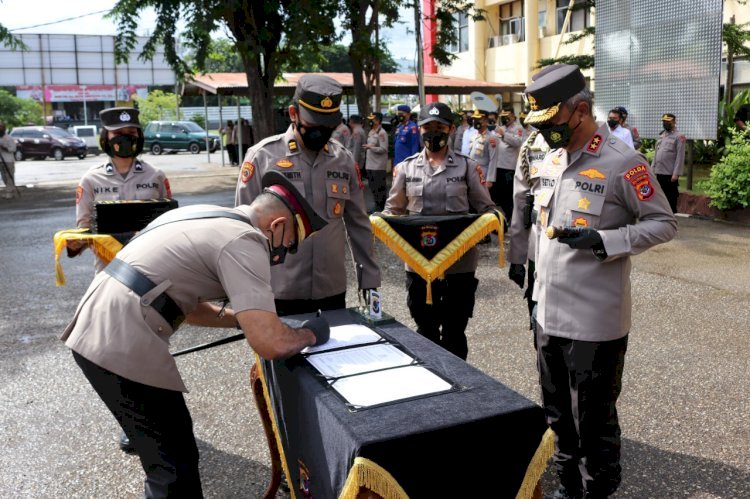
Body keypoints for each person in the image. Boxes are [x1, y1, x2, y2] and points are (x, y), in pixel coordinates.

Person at [61, 170, 331, 497]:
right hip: (121, 338)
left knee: (171, 454)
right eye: (290, 243)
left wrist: (240, 321)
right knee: (172, 468)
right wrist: (310, 335)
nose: (285, 252)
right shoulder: (245, 240)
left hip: (98, 323)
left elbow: (184, 306)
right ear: (277, 227)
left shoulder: (198, 215)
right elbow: (271, 343)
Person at [523, 64, 677, 499]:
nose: (543, 131)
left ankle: (597, 492)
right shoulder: (550, 158)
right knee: (557, 418)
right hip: (547, 314)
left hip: (594, 321)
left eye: (550, 122)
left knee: (594, 423)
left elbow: (663, 224)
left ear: (581, 111)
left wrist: (604, 240)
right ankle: (567, 489)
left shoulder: (623, 162)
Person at [235, 74, 381, 316]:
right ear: (293, 114)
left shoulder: (343, 160)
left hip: (331, 290)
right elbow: (241, 231)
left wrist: (369, 279)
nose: (321, 133)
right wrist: (246, 292)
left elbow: (359, 225)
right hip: (280, 291)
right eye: (314, 125)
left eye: (328, 127)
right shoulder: (262, 157)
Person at [383, 102, 496, 360]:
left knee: (456, 331)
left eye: (440, 127)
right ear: (419, 130)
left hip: (459, 266)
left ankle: (460, 389)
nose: (433, 132)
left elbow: (486, 209)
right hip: (419, 266)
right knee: (426, 330)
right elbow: (393, 211)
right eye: (427, 127)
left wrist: (486, 227)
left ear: (451, 129)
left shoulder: (467, 167)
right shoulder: (405, 168)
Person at [71, 107, 172, 273]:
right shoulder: (90, 179)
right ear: (106, 137)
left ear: (139, 136)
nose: (125, 138)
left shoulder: (156, 176)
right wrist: (78, 243)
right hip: (109, 268)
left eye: (131, 132)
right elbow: (84, 227)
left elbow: (169, 221)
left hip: (152, 266)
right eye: (118, 133)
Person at [508, 127, 549, 335]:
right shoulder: (532, 145)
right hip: (538, 247)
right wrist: (517, 258)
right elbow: (521, 201)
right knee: (538, 319)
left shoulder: (589, 143)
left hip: (579, 253)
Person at [490, 107, 525, 227]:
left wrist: (504, 134)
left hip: (509, 167)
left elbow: (518, 142)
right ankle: (506, 215)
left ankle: (512, 217)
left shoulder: (518, 128)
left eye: (507, 116)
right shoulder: (501, 128)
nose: (505, 119)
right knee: (499, 194)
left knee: (508, 194)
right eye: (503, 117)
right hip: (498, 166)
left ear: (513, 117)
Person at [651, 113, 685, 213]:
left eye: (668, 121)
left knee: (671, 195)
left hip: (670, 173)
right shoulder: (662, 135)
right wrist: (652, 168)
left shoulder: (679, 136)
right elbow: (656, 154)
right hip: (659, 171)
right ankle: (662, 212)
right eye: (664, 121)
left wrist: (676, 173)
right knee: (660, 194)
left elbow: (680, 156)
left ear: (674, 122)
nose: (666, 123)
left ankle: (671, 214)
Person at [364, 112, 389, 212]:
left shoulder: (382, 133)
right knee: (373, 187)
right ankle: (376, 205)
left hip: (378, 166)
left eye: (372, 119)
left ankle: (381, 208)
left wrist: (371, 147)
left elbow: (383, 149)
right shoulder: (371, 132)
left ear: (378, 121)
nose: (370, 121)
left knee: (379, 188)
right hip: (370, 165)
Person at [466, 109, 497, 186]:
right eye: (474, 119)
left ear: (486, 121)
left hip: (483, 174)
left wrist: (490, 179)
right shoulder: (473, 135)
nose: (475, 122)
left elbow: (493, 159)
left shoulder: (491, 138)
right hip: (471, 172)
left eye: (478, 119)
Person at [0, 121, 17, 199]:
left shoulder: (9, 138)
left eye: (1, 127)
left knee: (9, 176)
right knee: (4, 177)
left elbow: (13, 149)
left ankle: (9, 192)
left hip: (8, 160)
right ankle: (11, 189)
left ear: (4, 128)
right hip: (1, 161)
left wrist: (4, 148)